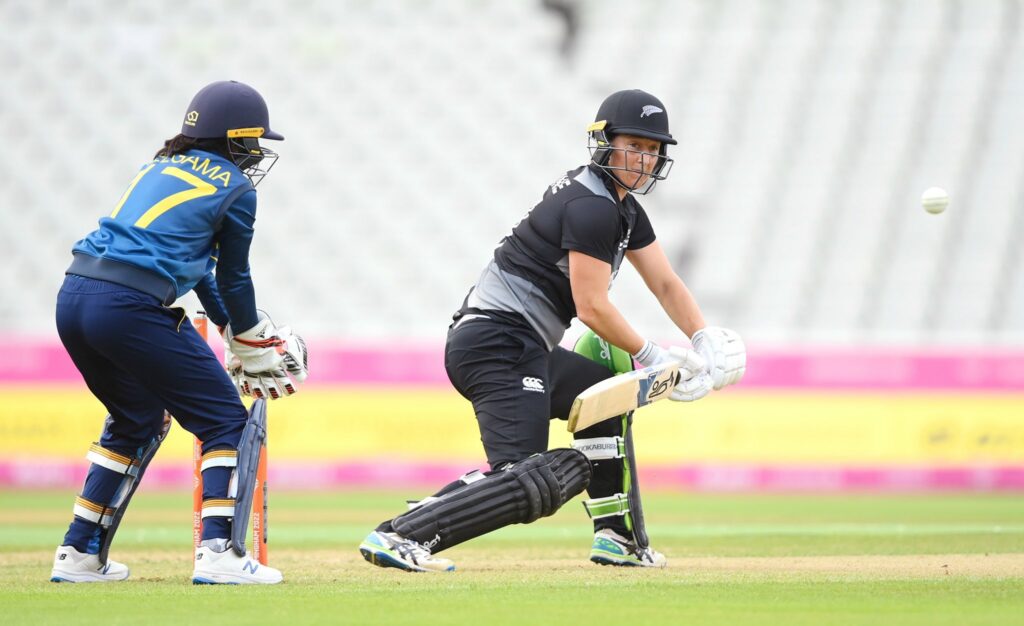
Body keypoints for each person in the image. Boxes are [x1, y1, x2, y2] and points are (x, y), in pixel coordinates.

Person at [358, 89, 745, 572]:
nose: (643, 159)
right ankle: (400, 535)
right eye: (633, 145)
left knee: (608, 399)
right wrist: (652, 357)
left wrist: (702, 339)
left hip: (522, 344)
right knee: (532, 477)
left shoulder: (621, 208)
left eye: (652, 150)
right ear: (603, 143)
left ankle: (617, 539)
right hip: (496, 343)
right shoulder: (593, 207)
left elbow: (666, 283)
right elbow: (591, 307)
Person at [49, 80, 307, 585]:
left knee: (136, 420)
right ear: (233, 139)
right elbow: (233, 275)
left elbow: (205, 276)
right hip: (128, 306)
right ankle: (220, 554)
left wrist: (235, 331)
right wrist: (252, 336)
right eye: (252, 142)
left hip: (74, 295)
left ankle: (79, 554)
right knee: (226, 423)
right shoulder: (236, 187)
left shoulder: (158, 165)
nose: (255, 154)